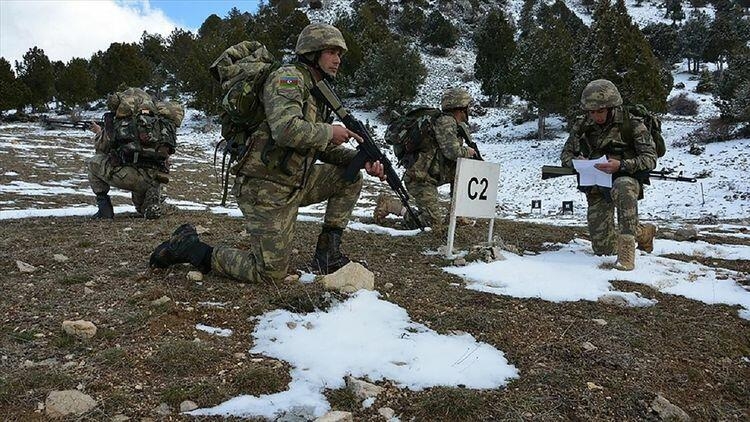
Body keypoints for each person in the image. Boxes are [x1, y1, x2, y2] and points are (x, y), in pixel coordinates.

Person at [149, 23, 385, 282]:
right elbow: (285, 130)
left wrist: (361, 161)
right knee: (269, 274)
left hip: (294, 182)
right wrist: (329, 131)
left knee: (349, 177)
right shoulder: (288, 79)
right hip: (265, 189)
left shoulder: (316, 92)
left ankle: (327, 253)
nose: (338, 60)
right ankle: (191, 248)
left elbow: (317, 145)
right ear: (311, 52)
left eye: (340, 54)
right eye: (331, 52)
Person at [560, 79, 657, 271]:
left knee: (623, 187)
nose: (596, 116)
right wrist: (579, 162)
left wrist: (622, 165)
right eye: (592, 112)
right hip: (596, 183)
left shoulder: (632, 123)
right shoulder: (583, 124)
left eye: (601, 111)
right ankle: (643, 232)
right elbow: (565, 155)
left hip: (624, 179)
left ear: (612, 107)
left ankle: (627, 253)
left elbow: (650, 158)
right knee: (603, 249)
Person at [373, 87, 477, 232]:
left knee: (464, 170)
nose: (469, 110)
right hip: (420, 178)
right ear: (461, 108)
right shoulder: (446, 122)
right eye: (468, 106)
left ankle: (457, 215)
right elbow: (453, 152)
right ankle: (392, 206)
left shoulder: (455, 125)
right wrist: (469, 151)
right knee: (431, 223)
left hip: (433, 175)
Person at [87, 88, 180, 220]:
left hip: (128, 175)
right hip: (155, 177)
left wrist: (99, 132)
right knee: (142, 209)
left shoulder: (119, 122)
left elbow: (101, 148)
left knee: (92, 163)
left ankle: (104, 210)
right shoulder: (159, 123)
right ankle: (154, 201)